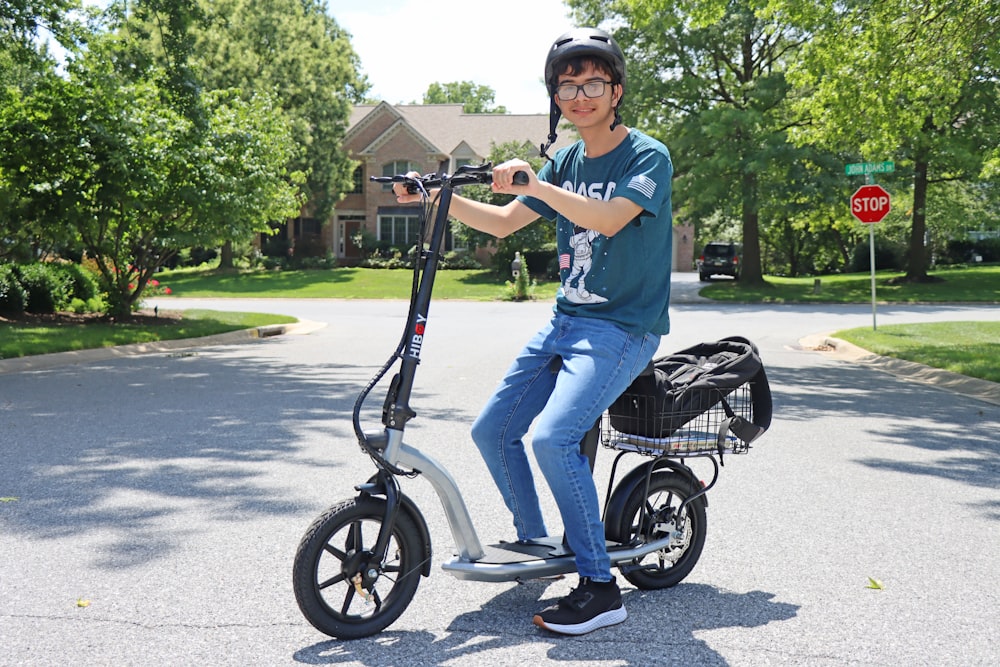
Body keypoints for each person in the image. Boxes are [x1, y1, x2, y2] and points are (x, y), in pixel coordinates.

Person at [394, 27, 674, 636]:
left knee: (553, 438)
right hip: (565, 320)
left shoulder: (647, 156)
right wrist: (432, 200)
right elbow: (500, 224)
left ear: (616, 90)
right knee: (493, 429)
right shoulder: (566, 159)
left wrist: (539, 183)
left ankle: (600, 587)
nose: (580, 95)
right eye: (567, 86)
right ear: (556, 98)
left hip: (622, 327)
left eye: (593, 83)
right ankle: (536, 544)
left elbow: (608, 217)